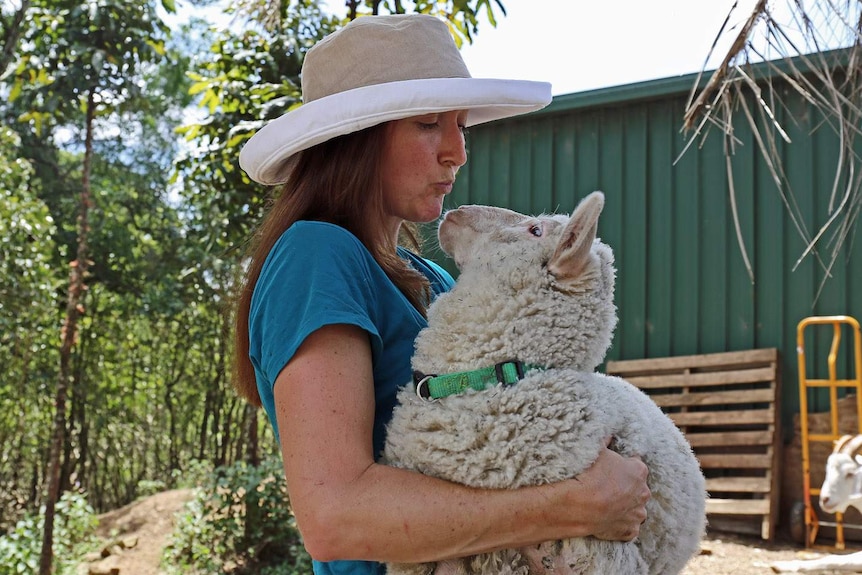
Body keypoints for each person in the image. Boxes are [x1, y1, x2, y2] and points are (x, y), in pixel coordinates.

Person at [233, 13, 650, 575]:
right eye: (429, 122)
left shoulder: (437, 277)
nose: (457, 150)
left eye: (461, 124)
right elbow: (336, 518)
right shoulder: (316, 256)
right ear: (353, 138)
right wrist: (574, 506)